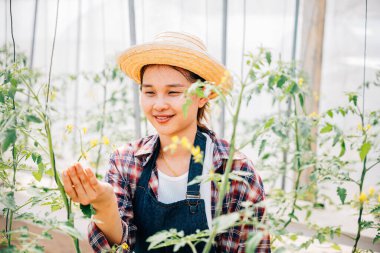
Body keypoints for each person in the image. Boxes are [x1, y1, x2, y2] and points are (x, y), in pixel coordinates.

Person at [62, 31, 270, 253]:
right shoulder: (126, 161)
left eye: (173, 92)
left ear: (203, 95)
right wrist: (105, 204)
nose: (159, 104)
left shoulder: (234, 170)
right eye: (149, 92)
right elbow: (117, 248)